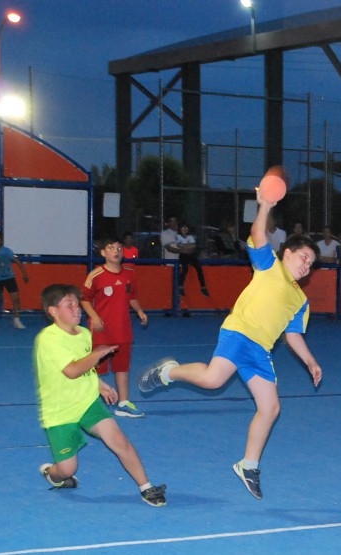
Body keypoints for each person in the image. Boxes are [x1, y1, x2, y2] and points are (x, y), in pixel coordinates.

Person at [137, 187, 323, 500]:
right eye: (304, 257)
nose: (307, 265)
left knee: (271, 407)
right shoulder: (269, 267)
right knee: (213, 379)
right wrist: (264, 205)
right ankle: (170, 372)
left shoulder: (301, 300)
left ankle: (248, 465)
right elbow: (257, 233)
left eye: (312, 264)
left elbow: (292, 335)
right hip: (239, 332)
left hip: (261, 350)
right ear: (287, 253)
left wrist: (311, 361)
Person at [33, 283, 166, 506]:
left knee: (118, 440)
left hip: (86, 402)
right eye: (69, 305)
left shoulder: (84, 333)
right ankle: (52, 474)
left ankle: (146, 487)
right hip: (60, 411)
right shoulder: (49, 339)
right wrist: (97, 355)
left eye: (78, 304)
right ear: (53, 311)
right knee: (67, 469)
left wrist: (98, 383)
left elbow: (84, 367)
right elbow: (72, 370)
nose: (77, 309)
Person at [81, 237, 150, 417]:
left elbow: (132, 296)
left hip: (123, 330)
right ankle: (88, 404)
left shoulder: (129, 273)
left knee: (122, 367)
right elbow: (84, 299)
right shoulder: (95, 275)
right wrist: (94, 317)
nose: (116, 251)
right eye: (111, 248)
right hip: (101, 331)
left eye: (119, 248)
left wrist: (140, 311)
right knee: (94, 369)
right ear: (103, 253)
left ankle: (123, 403)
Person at [172, 222, 209, 297]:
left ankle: (203, 287)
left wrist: (186, 246)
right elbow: (180, 246)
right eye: (183, 227)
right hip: (183, 255)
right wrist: (187, 246)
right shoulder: (178, 236)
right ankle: (180, 286)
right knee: (185, 268)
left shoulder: (190, 236)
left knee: (199, 268)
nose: (184, 229)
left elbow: (192, 246)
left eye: (186, 227)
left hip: (191, 255)